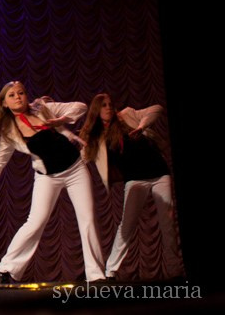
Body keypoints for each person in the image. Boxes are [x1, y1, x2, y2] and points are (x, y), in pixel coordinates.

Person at [0, 80, 104, 284]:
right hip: (47, 177)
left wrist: (60, 120)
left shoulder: (43, 108)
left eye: (21, 93)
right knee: (35, 222)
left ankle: (95, 276)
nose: (18, 97)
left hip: (75, 170)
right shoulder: (9, 130)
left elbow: (81, 107)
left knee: (87, 219)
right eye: (12, 95)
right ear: (4, 103)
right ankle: (4, 270)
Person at [79, 93, 184, 281]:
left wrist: (141, 126)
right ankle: (110, 271)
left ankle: (175, 271)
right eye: (104, 105)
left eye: (110, 104)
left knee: (167, 223)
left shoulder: (126, 115)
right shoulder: (97, 137)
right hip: (135, 180)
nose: (108, 107)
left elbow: (157, 109)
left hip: (159, 173)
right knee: (126, 226)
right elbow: (83, 157)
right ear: (96, 110)